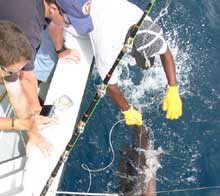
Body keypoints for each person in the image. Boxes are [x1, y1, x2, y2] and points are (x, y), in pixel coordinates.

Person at [53, 0, 183, 126]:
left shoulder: (146, 27)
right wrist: (127, 109)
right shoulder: (107, 46)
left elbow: (165, 52)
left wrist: (173, 88)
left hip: (101, 6)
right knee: (64, 26)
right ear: (132, 47)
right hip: (78, 15)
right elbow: (110, 85)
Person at [0, 0, 80, 115]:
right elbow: (26, 77)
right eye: (69, 21)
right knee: (15, 73)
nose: (70, 25)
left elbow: (55, 21)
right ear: (53, 8)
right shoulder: (29, 28)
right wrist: (37, 113)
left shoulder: (48, 7)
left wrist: (60, 49)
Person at [0, 21, 56, 155]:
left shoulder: (7, 63)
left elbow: (18, 98)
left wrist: (32, 132)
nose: (18, 75)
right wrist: (24, 124)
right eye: (13, 72)